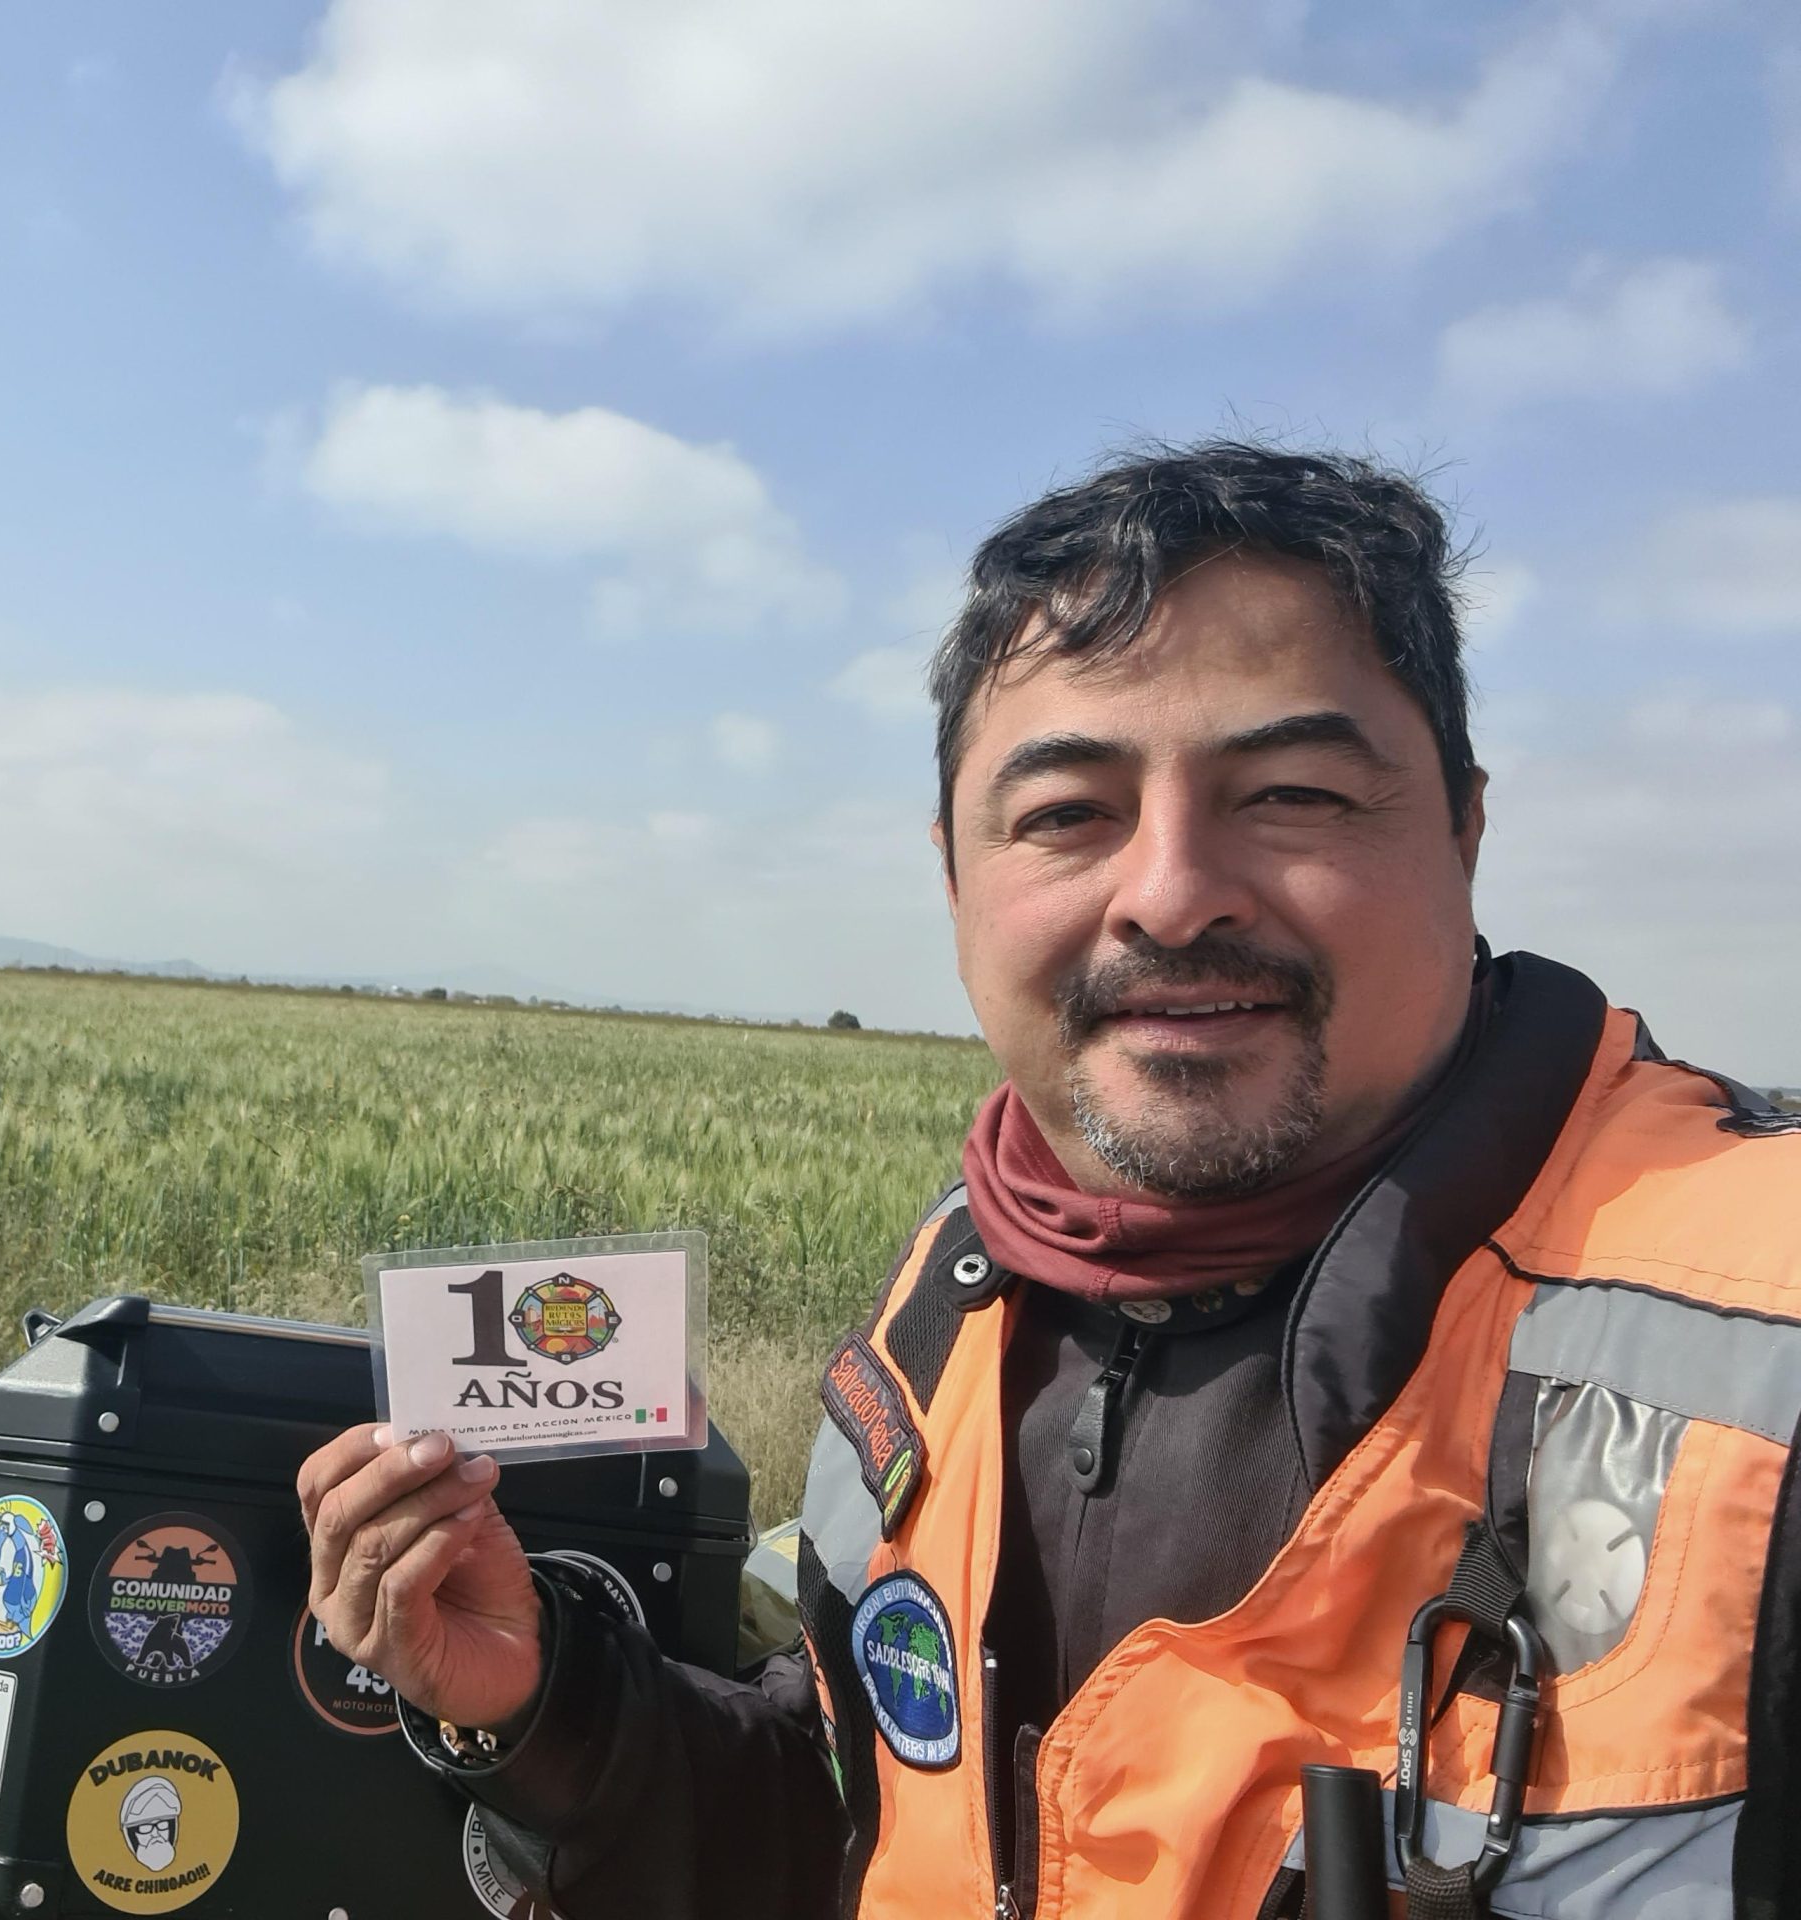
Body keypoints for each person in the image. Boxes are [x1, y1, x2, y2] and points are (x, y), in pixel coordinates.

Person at [296, 443, 1801, 1920]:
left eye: (1290, 793)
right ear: (956, 875)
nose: (1168, 891)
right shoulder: (947, 1307)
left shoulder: (1762, 1347)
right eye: (1070, 813)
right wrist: (544, 1707)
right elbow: (874, 1822)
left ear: (1465, 829)